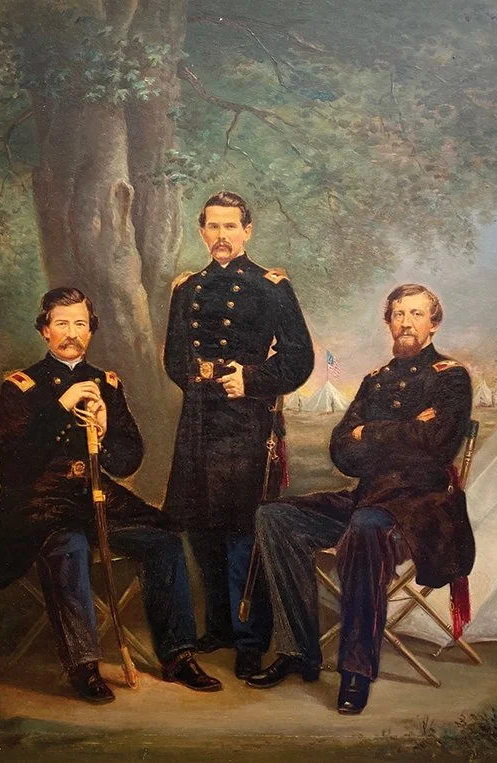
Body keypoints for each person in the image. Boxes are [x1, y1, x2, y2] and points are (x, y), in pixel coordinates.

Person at [246, 284, 475, 714]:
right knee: (274, 516)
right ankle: (298, 651)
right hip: (367, 498)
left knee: (367, 528)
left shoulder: (451, 377)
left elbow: (435, 445)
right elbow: (342, 451)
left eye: (416, 314)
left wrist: (368, 432)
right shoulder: (375, 381)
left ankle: (356, 670)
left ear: (433, 324)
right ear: (388, 322)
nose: (405, 323)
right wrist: (403, 431)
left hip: (418, 509)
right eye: (398, 314)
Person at [0, 287, 221, 703]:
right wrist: (62, 407)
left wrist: (103, 431)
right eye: (62, 323)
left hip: (97, 499)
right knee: (71, 547)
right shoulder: (21, 387)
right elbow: (14, 468)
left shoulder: (106, 383)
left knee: (164, 541)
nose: (71, 333)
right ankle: (83, 664)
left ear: (91, 330)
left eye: (80, 323)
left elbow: (128, 459)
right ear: (44, 331)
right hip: (42, 505)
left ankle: (177, 654)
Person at [163, 191, 314, 679]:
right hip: (199, 419)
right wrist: (199, 379)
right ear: (201, 231)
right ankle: (220, 627)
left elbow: (299, 358)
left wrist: (250, 379)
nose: (222, 235)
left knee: (242, 531)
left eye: (231, 226)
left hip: (247, 422)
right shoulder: (187, 288)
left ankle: (250, 639)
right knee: (201, 525)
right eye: (213, 226)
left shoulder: (271, 286)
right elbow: (173, 358)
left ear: (247, 230)